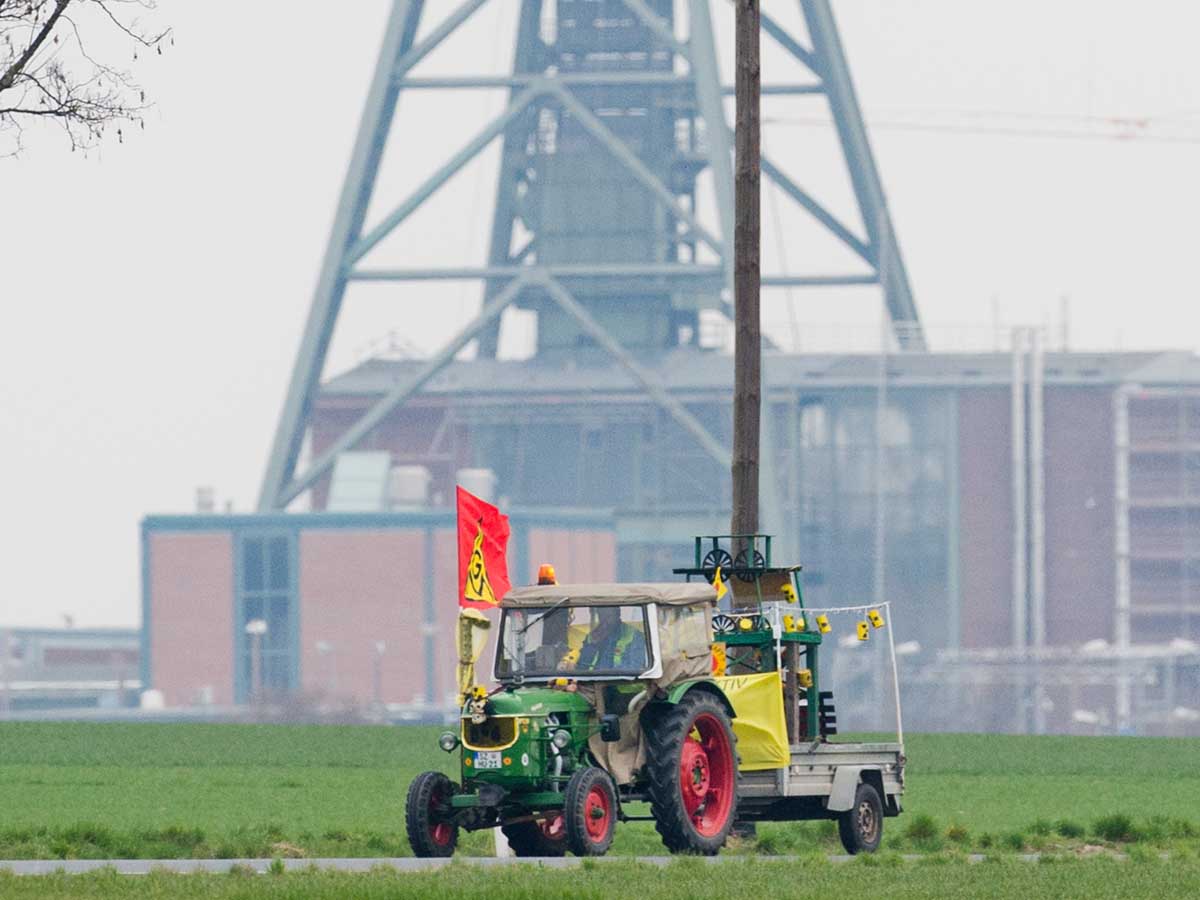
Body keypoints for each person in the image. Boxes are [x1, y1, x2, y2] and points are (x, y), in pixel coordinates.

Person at [574, 607, 646, 673]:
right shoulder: (592, 636)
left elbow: (634, 668)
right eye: (601, 616)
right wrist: (593, 645)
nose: (604, 620)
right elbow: (582, 666)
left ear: (618, 614)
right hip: (592, 681)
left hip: (618, 682)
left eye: (608, 616)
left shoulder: (635, 636)